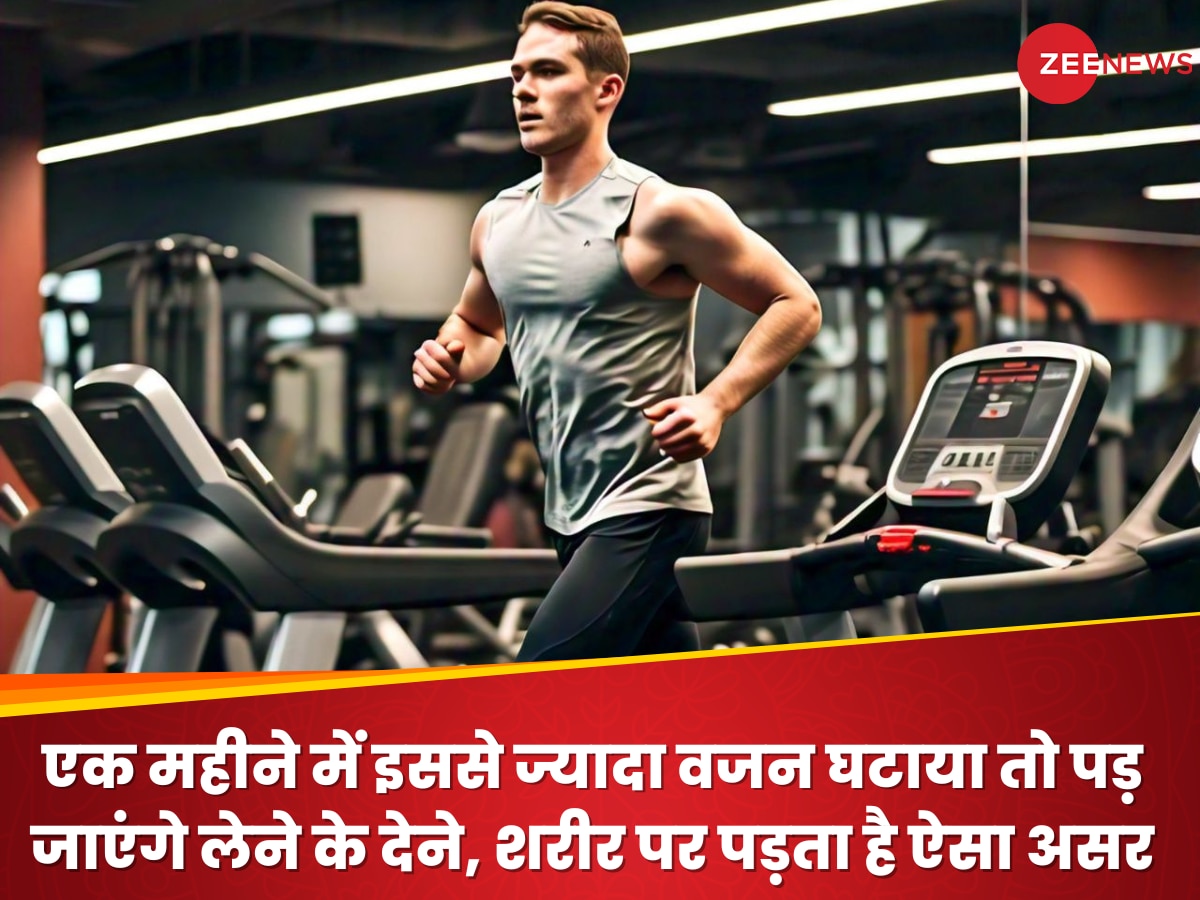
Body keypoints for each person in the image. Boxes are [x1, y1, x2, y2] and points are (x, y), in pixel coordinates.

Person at [412, 2, 822, 662]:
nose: (523, 89)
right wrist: (450, 359)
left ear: (606, 90)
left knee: (537, 682)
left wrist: (714, 402)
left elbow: (795, 303)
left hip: (650, 504)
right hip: (568, 507)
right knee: (660, 704)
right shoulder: (498, 220)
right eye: (517, 74)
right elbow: (478, 326)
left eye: (548, 71)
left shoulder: (660, 211)